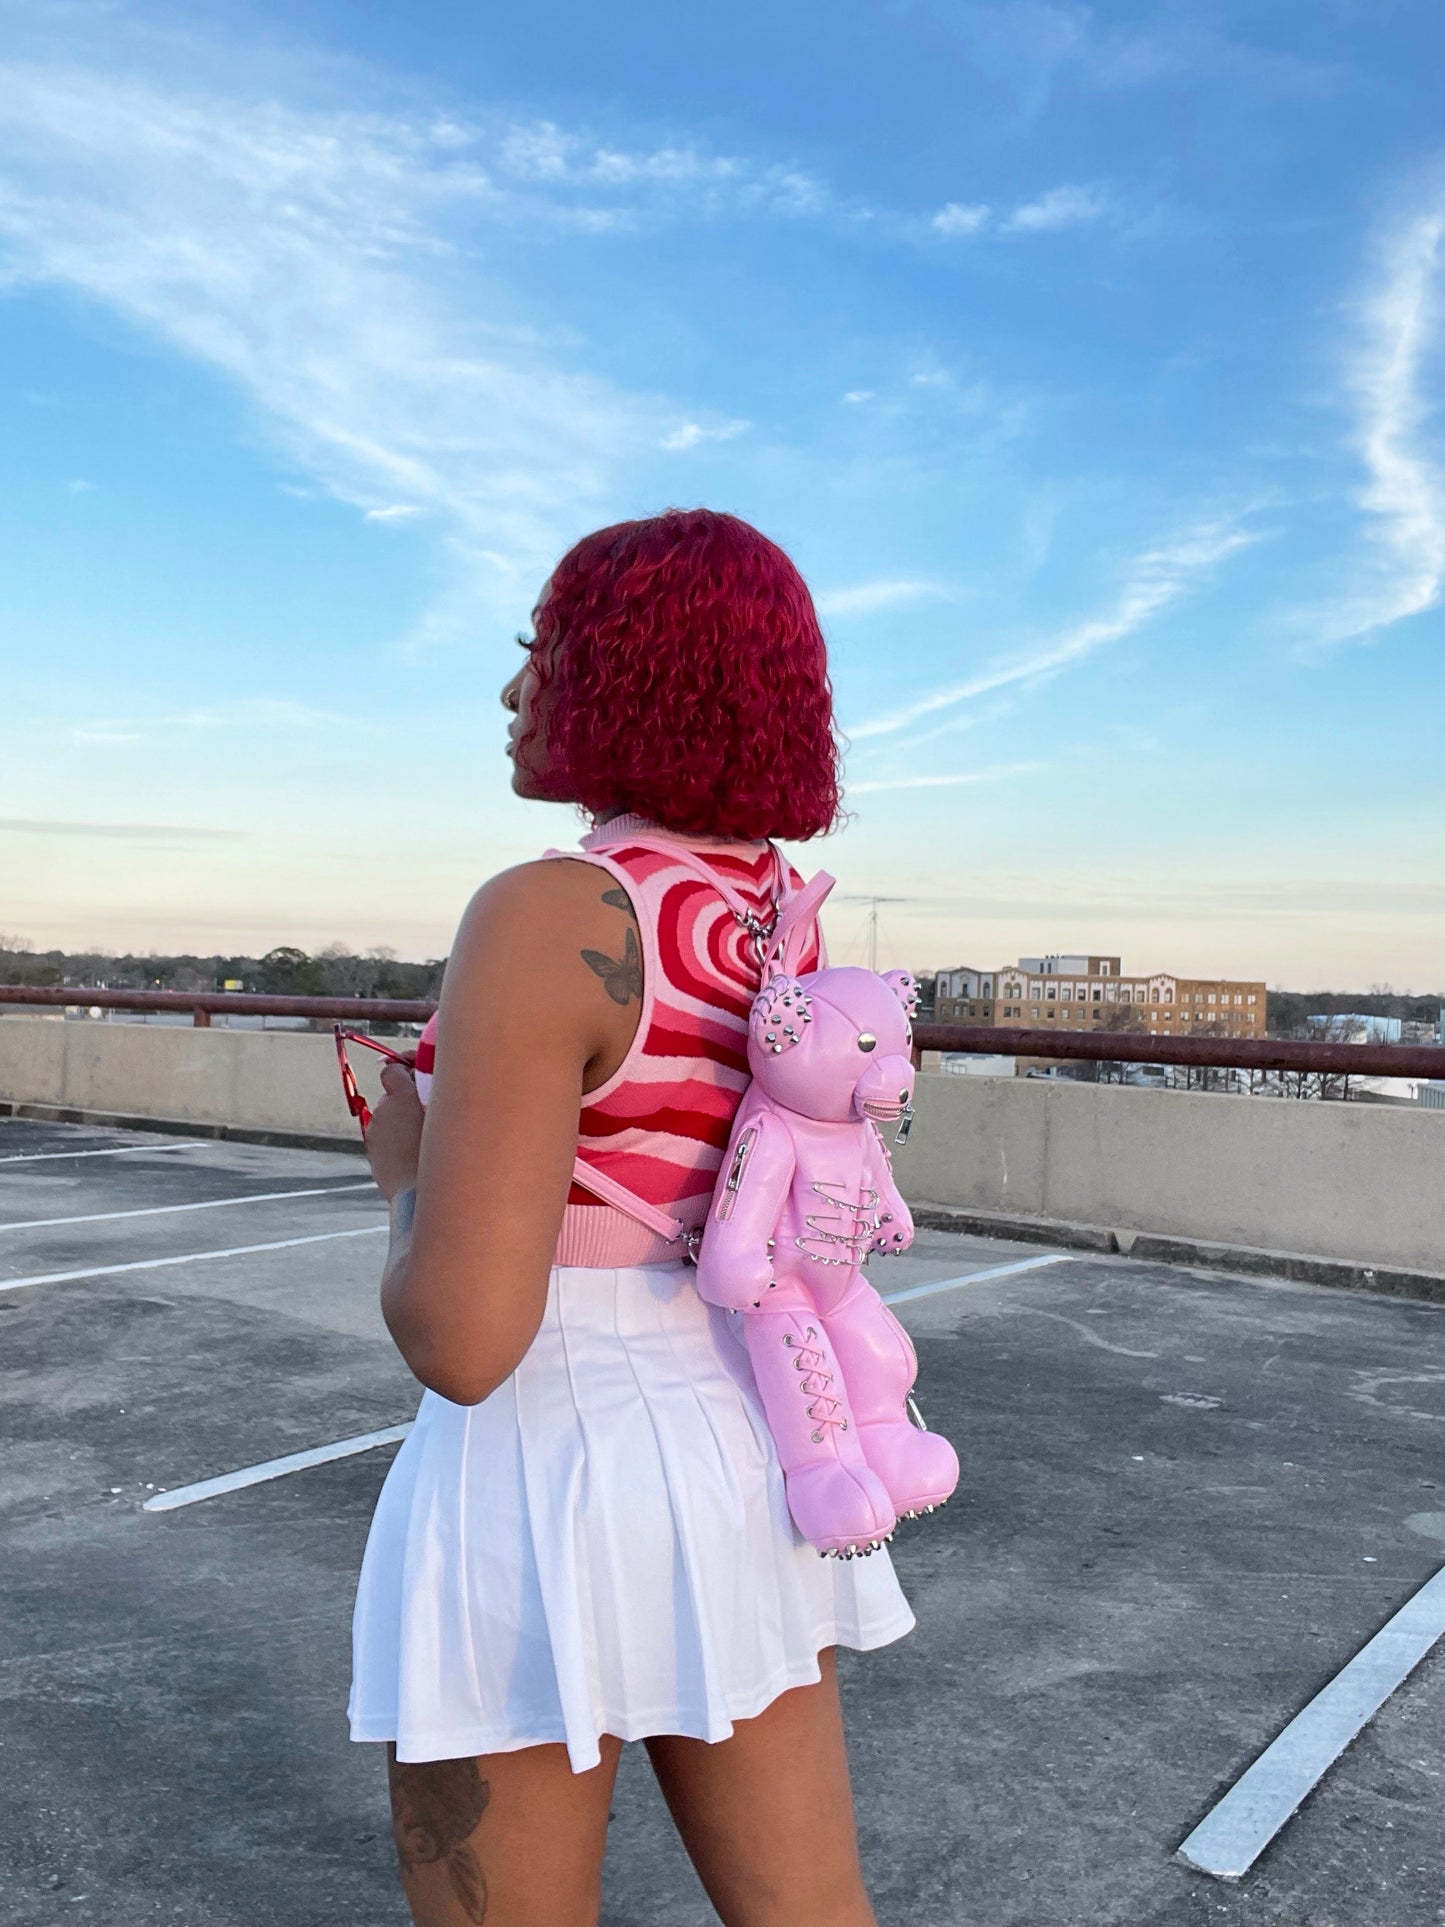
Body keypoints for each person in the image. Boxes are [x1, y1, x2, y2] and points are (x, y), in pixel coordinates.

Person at [349, 508, 914, 1927]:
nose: (512, 689)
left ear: (626, 666)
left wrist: (402, 1166)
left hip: (546, 1454)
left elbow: (467, 1342)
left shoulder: (555, 911)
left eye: (537, 651)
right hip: (735, 1438)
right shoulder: (772, 905)